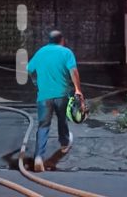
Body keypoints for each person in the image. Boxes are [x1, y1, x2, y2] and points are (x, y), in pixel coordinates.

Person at [27, 30, 83, 172]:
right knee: (62, 119)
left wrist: (36, 83)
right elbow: (73, 71)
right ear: (62, 40)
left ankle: (39, 157)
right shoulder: (66, 52)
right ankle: (64, 144)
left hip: (44, 96)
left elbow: (29, 69)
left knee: (43, 126)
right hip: (62, 95)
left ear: (49, 40)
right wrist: (77, 89)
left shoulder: (41, 52)